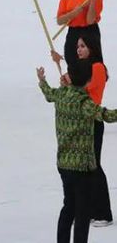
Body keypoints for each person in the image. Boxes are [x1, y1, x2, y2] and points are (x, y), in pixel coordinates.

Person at [38, 55, 117, 243]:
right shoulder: (84, 103)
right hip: (82, 166)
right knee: (82, 213)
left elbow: (49, 93)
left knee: (68, 207)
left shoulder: (61, 95)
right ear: (88, 80)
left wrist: (42, 80)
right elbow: (107, 115)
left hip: (64, 164)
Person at [53, 33, 112, 228]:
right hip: (82, 122)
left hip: (93, 119)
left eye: (83, 46)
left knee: (94, 165)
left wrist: (69, 80)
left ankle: (103, 212)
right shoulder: (82, 68)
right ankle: (90, 209)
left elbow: (83, 87)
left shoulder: (97, 68)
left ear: (92, 48)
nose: (79, 49)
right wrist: (61, 64)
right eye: (78, 46)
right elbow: (74, 83)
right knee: (86, 168)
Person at [56, 0, 102, 66]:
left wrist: (93, 2)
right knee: (73, 65)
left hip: (90, 33)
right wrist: (73, 13)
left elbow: (90, 21)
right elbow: (59, 20)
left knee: (91, 67)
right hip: (73, 33)